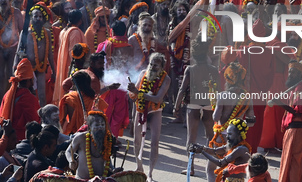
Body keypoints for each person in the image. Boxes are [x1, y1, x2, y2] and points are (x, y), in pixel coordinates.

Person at [174, 38, 217, 176]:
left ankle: (190, 168)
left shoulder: (190, 69)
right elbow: (219, 91)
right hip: (209, 105)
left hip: (193, 105)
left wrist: (176, 107)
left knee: (191, 138)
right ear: (206, 53)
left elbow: (182, 90)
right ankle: (211, 167)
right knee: (210, 136)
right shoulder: (213, 69)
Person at [128, 53, 171, 182]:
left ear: (162, 67)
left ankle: (150, 173)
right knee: (137, 141)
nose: (152, 67)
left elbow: (158, 98)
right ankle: (139, 167)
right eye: (151, 64)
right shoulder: (142, 74)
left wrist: (138, 93)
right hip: (140, 110)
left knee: (154, 143)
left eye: (156, 65)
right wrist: (132, 90)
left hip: (155, 111)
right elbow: (134, 93)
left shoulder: (166, 79)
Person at [274, 60, 302, 182]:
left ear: (300, 74)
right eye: (290, 71)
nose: (290, 74)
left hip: (297, 130)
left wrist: (280, 104)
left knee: (294, 162)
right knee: (290, 161)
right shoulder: (295, 88)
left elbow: (297, 111)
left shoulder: (301, 88)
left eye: (293, 72)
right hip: (293, 130)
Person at [14, 3, 55, 107]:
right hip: (28, 69)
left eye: (40, 16)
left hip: (41, 68)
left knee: (42, 95)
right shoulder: (25, 33)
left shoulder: (47, 33)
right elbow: (18, 52)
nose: (38, 18)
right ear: (31, 18)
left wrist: (54, 71)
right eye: (35, 16)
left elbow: (50, 53)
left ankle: (42, 119)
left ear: (43, 19)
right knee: (28, 94)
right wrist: (15, 68)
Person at [65, 110, 118, 179]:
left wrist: (113, 169)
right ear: (89, 127)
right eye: (97, 125)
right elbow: (68, 151)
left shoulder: (107, 139)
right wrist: (71, 161)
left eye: (102, 125)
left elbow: (107, 158)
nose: (100, 127)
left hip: (100, 179)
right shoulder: (81, 138)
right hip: (81, 179)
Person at [0, 58, 40, 141]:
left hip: (7, 139)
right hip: (22, 140)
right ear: (29, 80)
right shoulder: (29, 98)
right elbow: (34, 122)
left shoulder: (7, 95)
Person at [53, 9, 86, 105]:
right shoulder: (75, 32)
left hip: (64, 65)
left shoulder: (64, 30)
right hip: (71, 68)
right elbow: (74, 53)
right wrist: (77, 69)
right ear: (80, 20)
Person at [0, 0, 23, 101]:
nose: (3, 1)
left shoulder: (16, 12)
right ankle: (1, 101)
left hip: (13, 47)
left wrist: (20, 47)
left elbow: (22, 31)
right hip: (0, 48)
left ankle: (10, 99)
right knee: (0, 75)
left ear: (10, 0)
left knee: (10, 74)